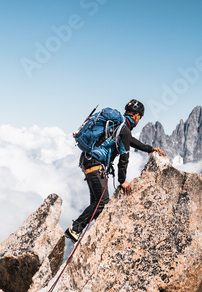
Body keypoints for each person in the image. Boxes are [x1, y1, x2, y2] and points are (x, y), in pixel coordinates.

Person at [65, 99, 165, 243]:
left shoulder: (119, 127)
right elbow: (124, 157)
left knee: (96, 202)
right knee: (102, 202)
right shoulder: (123, 129)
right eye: (139, 117)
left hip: (88, 162)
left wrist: (149, 149)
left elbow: (131, 140)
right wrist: (122, 181)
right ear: (136, 115)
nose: (138, 120)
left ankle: (96, 236)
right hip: (96, 165)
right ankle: (75, 229)